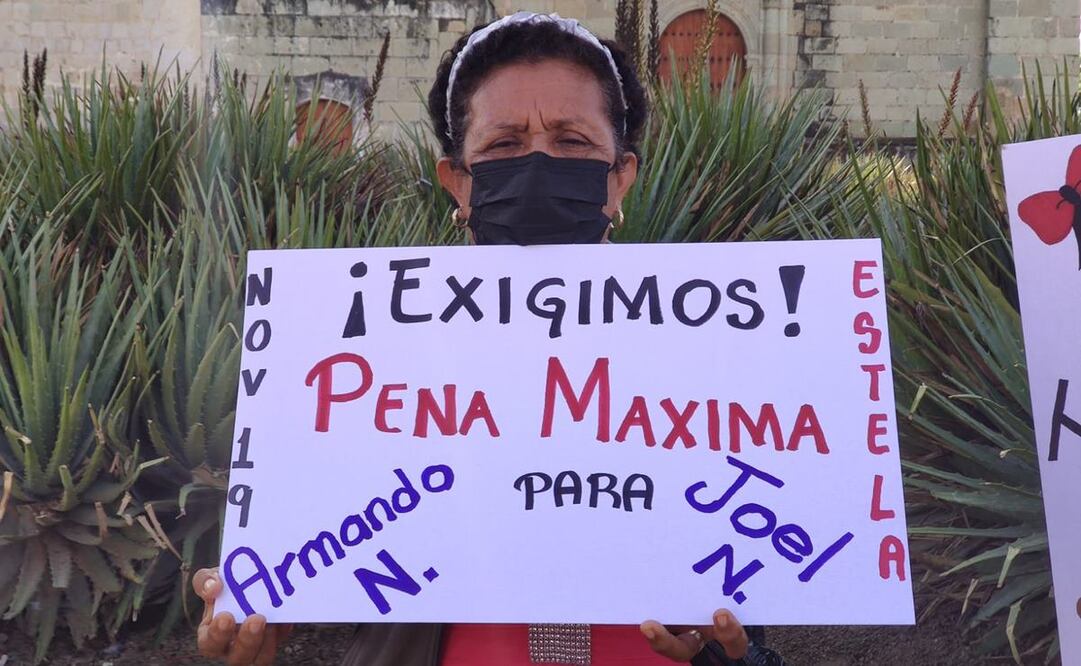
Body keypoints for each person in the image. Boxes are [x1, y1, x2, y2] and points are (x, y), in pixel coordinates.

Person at [193, 12, 787, 666]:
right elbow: (327, 542)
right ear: (458, 182)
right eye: (503, 144)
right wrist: (264, 607)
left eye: (571, 140)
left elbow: (752, 574)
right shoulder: (365, 366)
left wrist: (725, 655)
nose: (537, 162)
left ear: (620, 178)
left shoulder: (706, 360)